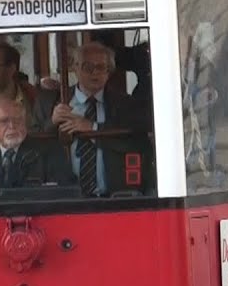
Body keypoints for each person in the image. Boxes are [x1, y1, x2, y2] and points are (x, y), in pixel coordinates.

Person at [43, 41, 149, 197]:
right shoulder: (52, 101)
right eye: (88, 67)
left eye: (100, 67)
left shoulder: (125, 104)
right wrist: (52, 122)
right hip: (63, 198)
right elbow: (32, 142)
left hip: (113, 198)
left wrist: (93, 128)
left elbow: (137, 142)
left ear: (109, 71)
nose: (94, 73)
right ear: (75, 68)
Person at [0, 98, 71, 191]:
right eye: (4, 121)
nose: (12, 126)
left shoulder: (50, 154)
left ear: (25, 123)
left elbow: (65, 193)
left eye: (17, 120)